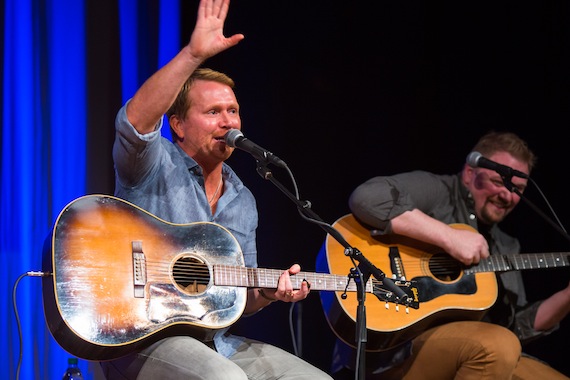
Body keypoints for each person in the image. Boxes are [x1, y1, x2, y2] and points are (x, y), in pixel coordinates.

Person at [99, 0, 333, 378]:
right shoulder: (152, 164)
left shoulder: (243, 200)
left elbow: (240, 295)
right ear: (177, 124)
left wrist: (270, 293)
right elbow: (135, 122)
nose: (228, 122)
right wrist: (193, 54)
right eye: (213, 112)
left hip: (217, 342)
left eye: (233, 111)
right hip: (140, 336)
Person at [329, 131, 570, 379]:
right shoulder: (439, 192)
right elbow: (368, 197)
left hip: (477, 346)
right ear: (469, 173)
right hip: (394, 347)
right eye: (500, 182)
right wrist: (449, 237)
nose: (507, 195)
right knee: (498, 345)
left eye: (517, 189)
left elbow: (516, 327)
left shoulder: (506, 246)